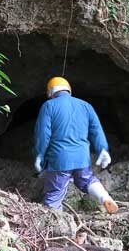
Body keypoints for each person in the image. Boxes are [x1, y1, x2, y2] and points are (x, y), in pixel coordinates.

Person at [34, 77, 118, 213]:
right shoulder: (86, 105)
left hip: (59, 159)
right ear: (69, 90)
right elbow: (96, 129)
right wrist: (103, 149)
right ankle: (104, 197)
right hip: (82, 158)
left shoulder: (48, 106)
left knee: (54, 194)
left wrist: (40, 154)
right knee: (87, 180)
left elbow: (43, 134)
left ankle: (55, 227)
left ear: (50, 93)